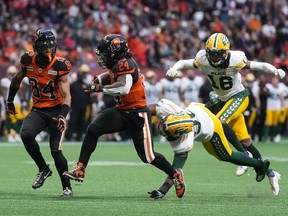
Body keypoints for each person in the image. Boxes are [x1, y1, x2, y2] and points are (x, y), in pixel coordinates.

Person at [62, 34, 186, 198]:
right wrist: (99, 79)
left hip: (137, 113)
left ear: (116, 52)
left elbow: (123, 87)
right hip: (122, 110)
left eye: (106, 52)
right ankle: (80, 169)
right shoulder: (118, 64)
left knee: (148, 156)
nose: (103, 56)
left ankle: (175, 174)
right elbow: (112, 75)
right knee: (93, 129)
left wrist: (100, 88)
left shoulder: (126, 64)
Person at [166, 32, 285, 178]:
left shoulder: (235, 58)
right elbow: (184, 62)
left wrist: (274, 70)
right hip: (223, 101)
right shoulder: (202, 58)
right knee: (246, 141)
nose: (215, 57)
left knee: (220, 121)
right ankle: (270, 173)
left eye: (218, 54)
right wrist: (175, 68)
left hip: (238, 97)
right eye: (212, 54)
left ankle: (244, 155)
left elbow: (258, 65)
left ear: (226, 51)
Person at [148, 99, 280, 199]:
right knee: (229, 148)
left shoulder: (184, 141)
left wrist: (163, 190)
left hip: (211, 127)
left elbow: (175, 171)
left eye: (164, 130)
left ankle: (260, 164)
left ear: (179, 134)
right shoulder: (172, 111)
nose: (160, 129)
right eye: (162, 124)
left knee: (226, 156)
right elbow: (151, 108)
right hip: (199, 109)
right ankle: (257, 162)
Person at [6, 29, 73, 197]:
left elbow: (67, 95)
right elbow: (16, 79)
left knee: (55, 150)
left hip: (57, 110)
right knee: (26, 135)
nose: (49, 50)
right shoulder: (28, 60)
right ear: (36, 47)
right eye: (45, 47)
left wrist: (62, 115)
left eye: (51, 46)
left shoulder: (60, 65)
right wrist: (10, 100)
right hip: (38, 109)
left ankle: (67, 187)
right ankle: (44, 168)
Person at [66, 64, 92, 141]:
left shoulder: (86, 85)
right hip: (75, 107)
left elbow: (88, 97)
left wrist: (90, 106)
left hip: (83, 107)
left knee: (82, 121)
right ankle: (69, 136)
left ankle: (79, 136)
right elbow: (69, 95)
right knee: (72, 121)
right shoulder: (72, 85)